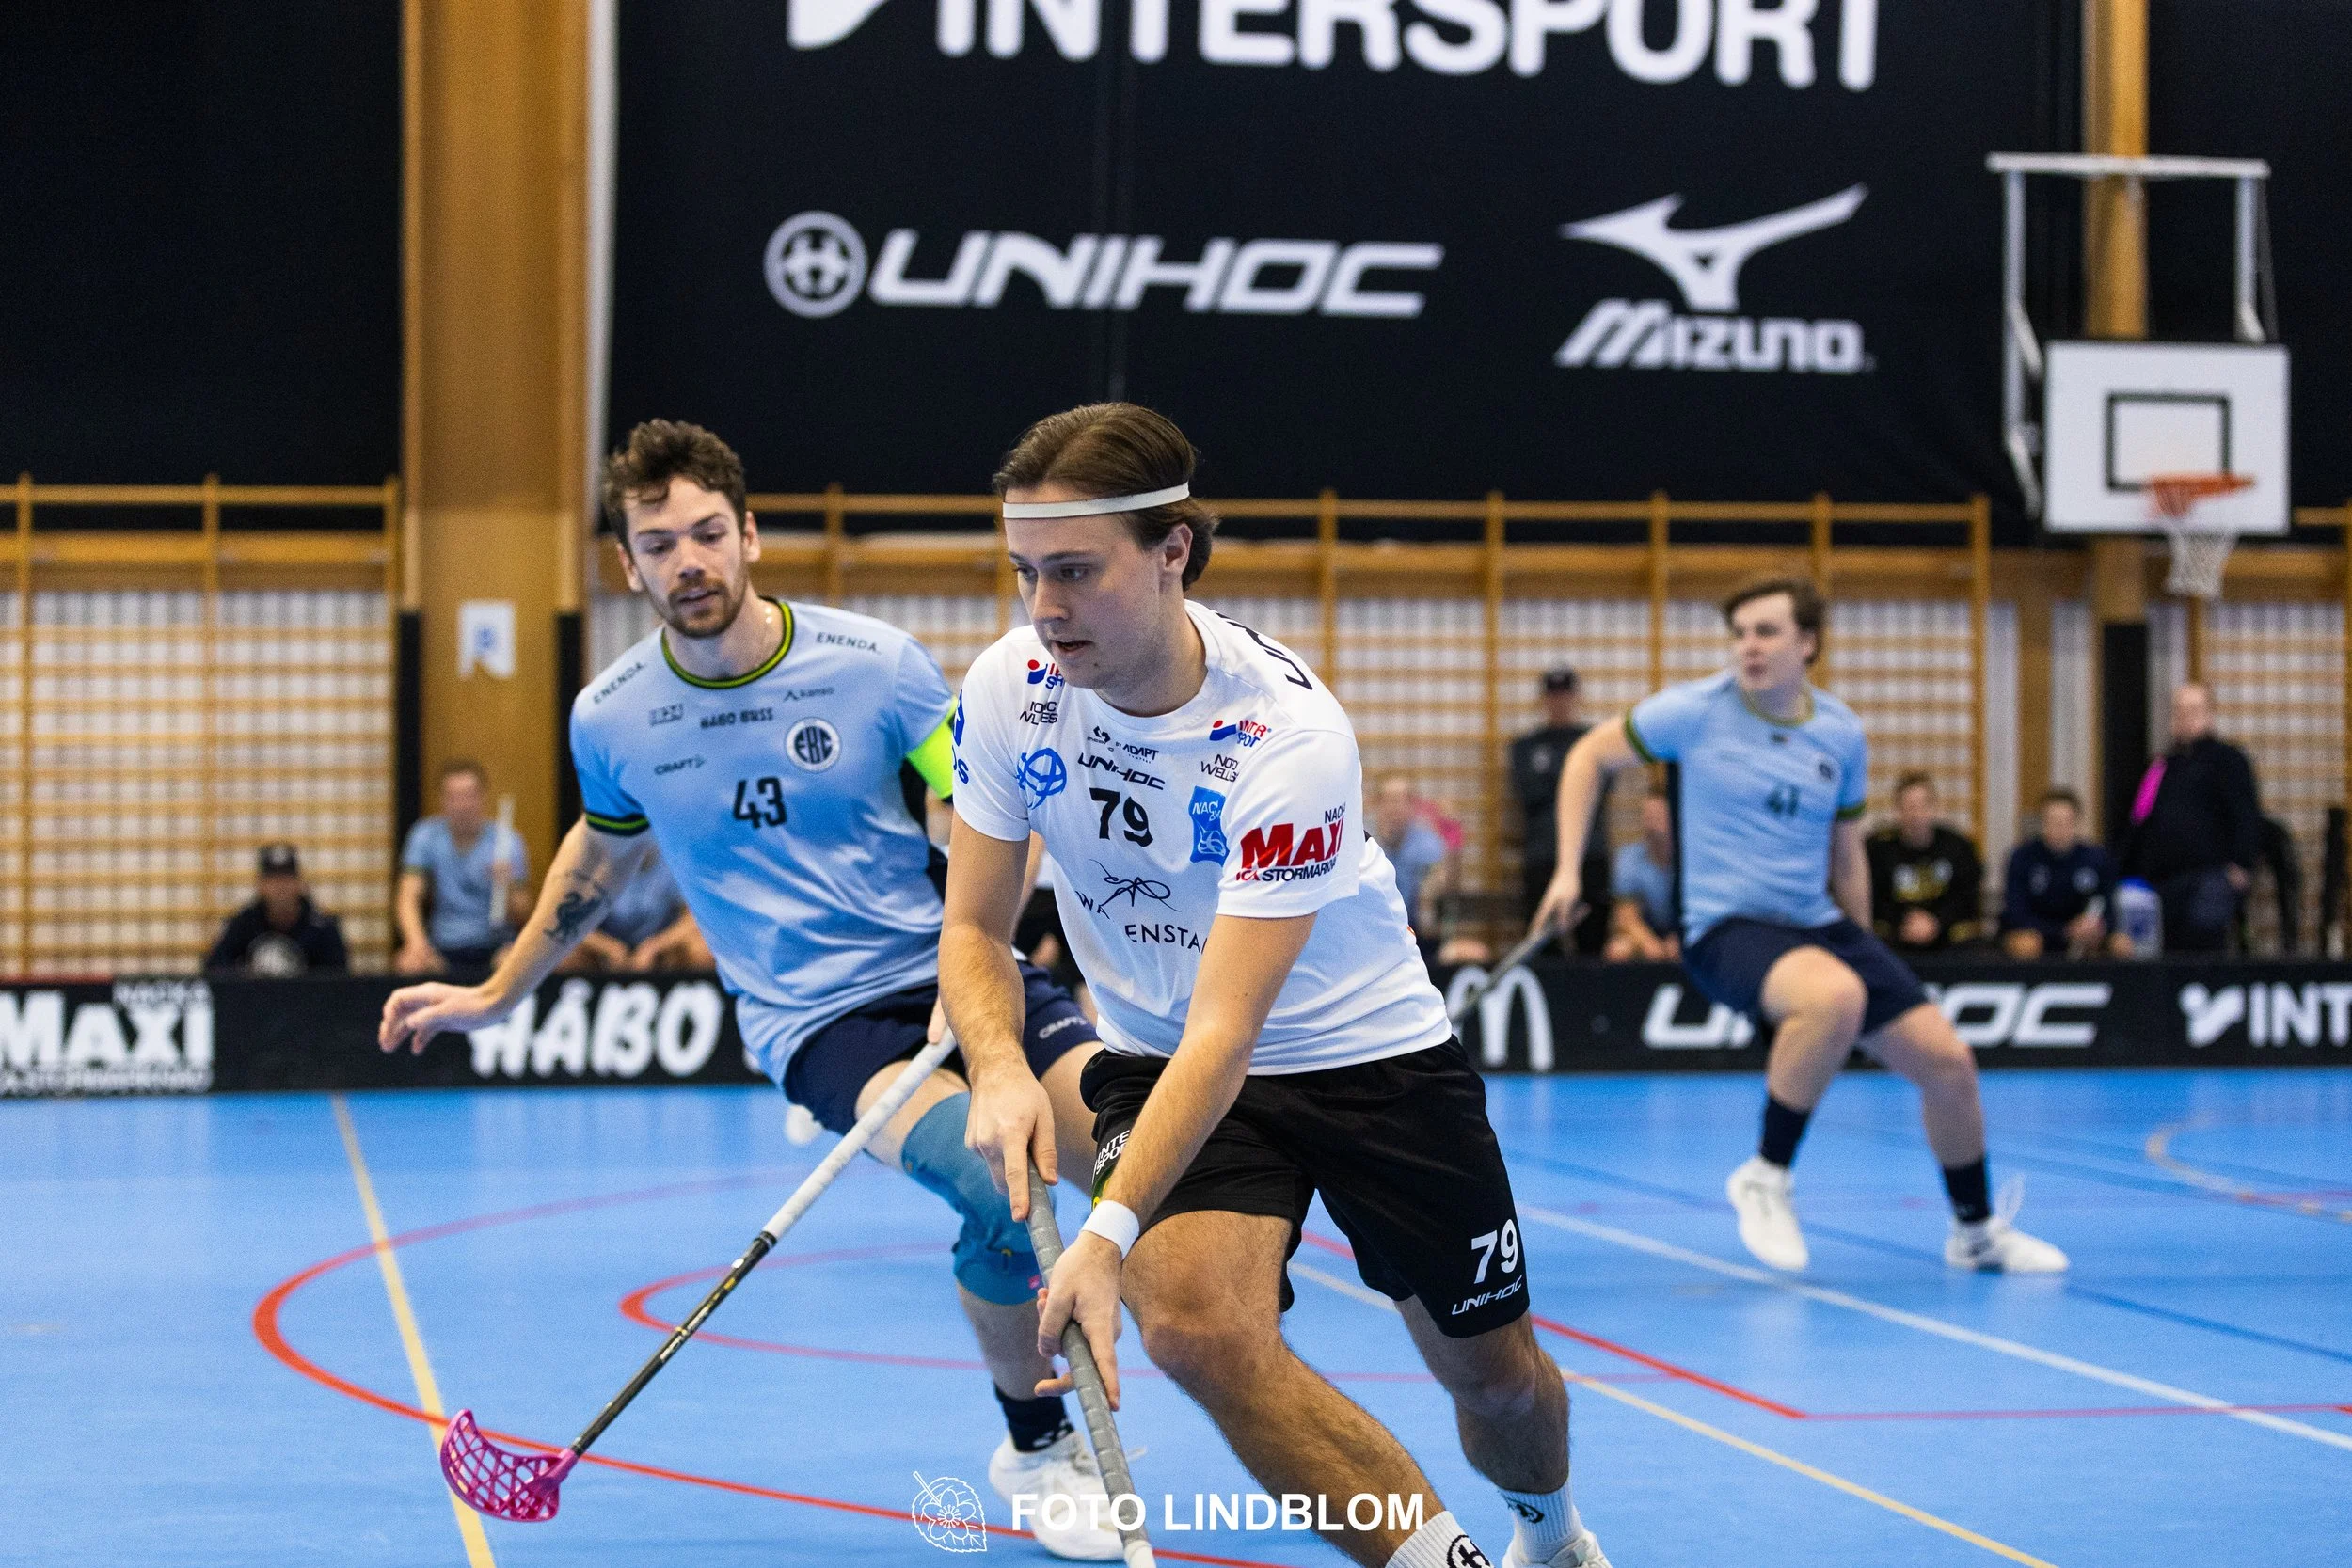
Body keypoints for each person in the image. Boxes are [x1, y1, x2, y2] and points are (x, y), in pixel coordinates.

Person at [377, 420, 1124, 1560]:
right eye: (659, 541)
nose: (689, 560)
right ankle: (1034, 1446)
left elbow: (976, 808)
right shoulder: (613, 715)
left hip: (957, 970)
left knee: (1137, 1160)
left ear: (750, 536)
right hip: (823, 1023)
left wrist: (974, 959)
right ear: (627, 564)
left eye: (708, 534)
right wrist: (494, 989)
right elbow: (599, 854)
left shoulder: (874, 665)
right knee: (994, 1185)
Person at [945, 403, 1609, 1568]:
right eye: (1023, 572)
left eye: (1074, 572)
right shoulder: (1009, 689)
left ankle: (1550, 1534)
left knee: (1499, 1388)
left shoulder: (1286, 737)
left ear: (1172, 553)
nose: (1043, 608)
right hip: (1159, 1052)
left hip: (1368, 1060)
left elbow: (1231, 1028)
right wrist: (998, 1065)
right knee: (1197, 1331)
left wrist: (1099, 1236)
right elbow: (972, 922)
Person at [1533, 577, 2065, 1276]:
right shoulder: (1695, 711)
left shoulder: (1840, 733)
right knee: (1833, 996)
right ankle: (1766, 1173)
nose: (1748, 646)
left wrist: (1866, 942)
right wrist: (1569, 870)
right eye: (1741, 632)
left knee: (1950, 1065)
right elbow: (1588, 756)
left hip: (1816, 926)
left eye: (1766, 631)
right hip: (1727, 926)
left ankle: (1975, 1231)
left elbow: (1846, 853)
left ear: (1807, 643)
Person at [2119, 682, 2262, 954]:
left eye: (2194, 710)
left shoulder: (2228, 760)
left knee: (2202, 947)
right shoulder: (2162, 765)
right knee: (2164, 952)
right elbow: (2139, 819)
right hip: (2163, 882)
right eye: (2180, 711)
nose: (2186, 717)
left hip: (2210, 878)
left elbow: (2246, 815)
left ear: (2209, 715)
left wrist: (2241, 864)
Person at [395, 760, 531, 974]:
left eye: (469, 796)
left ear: (482, 797)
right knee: (410, 963)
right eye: (453, 797)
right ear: (442, 800)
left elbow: (524, 913)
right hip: (443, 944)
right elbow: (407, 898)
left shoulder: (508, 841)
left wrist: (509, 885)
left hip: (496, 945)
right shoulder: (425, 836)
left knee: (516, 963)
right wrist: (417, 943)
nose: (462, 805)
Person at [1509, 669, 1609, 954]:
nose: (1559, 702)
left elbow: (1600, 788)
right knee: (1542, 943)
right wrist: (1576, 778)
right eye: (1553, 695)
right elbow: (1530, 793)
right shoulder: (1526, 746)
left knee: (1593, 944)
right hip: (1542, 853)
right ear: (1544, 699)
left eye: (1565, 695)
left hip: (1591, 852)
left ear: (1575, 697)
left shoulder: (1592, 740)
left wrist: (1557, 777)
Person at [2001, 788, 2129, 959]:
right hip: (2040, 932)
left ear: (2076, 824)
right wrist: (2063, 930)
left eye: (2065, 822)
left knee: (2122, 944)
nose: (2059, 829)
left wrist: (2096, 926)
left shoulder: (2097, 858)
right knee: (2026, 943)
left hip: (2083, 933)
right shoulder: (2023, 857)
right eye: (2053, 822)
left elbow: (2110, 910)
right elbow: (2016, 913)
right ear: (2042, 823)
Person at [1865, 773, 1984, 953]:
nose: (1916, 814)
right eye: (1910, 807)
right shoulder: (1878, 849)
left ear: (1934, 808)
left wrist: (1936, 921)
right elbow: (1873, 898)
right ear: (1898, 810)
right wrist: (1904, 921)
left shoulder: (1959, 847)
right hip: (1896, 932)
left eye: (1923, 806)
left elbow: (1967, 897)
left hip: (1946, 933)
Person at [204, 843, 348, 974]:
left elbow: (337, 977)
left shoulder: (321, 927)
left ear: (299, 884)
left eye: (286, 879)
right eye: (273, 880)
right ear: (261, 885)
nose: (280, 887)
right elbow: (216, 968)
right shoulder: (244, 923)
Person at [560, 853, 712, 973]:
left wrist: (655, 946)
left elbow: (696, 917)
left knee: (702, 948)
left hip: (661, 951)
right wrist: (609, 948)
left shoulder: (674, 860)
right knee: (563, 954)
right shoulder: (593, 863)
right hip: (605, 951)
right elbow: (567, 921)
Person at [1368, 773, 1453, 942]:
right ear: (1376, 803)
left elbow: (1445, 886)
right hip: (1370, 929)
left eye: (1403, 800)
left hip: (1415, 929)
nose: (1396, 807)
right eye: (1390, 800)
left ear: (1414, 806)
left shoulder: (1427, 843)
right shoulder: (1359, 841)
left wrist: (1433, 890)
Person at [1603, 785, 1677, 962]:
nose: (1651, 823)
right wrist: (1649, 943)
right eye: (1648, 816)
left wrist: (1680, 937)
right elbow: (1627, 917)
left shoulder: (1690, 858)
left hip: (1682, 930)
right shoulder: (1628, 857)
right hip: (1647, 930)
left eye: (1658, 816)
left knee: (1685, 948)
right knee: (1618, 950)